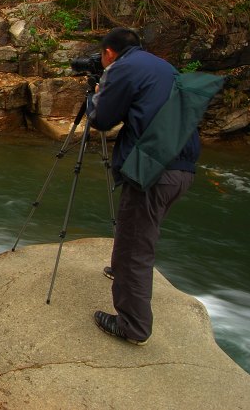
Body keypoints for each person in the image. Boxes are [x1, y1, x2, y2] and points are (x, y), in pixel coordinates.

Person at [88, 27, 199, 345]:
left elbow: (102, 118)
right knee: (136, 231)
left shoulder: (123, 68)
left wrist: (92, 94)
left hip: (154, 171)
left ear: (109, 53)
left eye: (102, 57)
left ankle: (132, 326)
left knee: (137, 246)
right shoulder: (161, 67)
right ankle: (119, 269)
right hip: (181, 170)